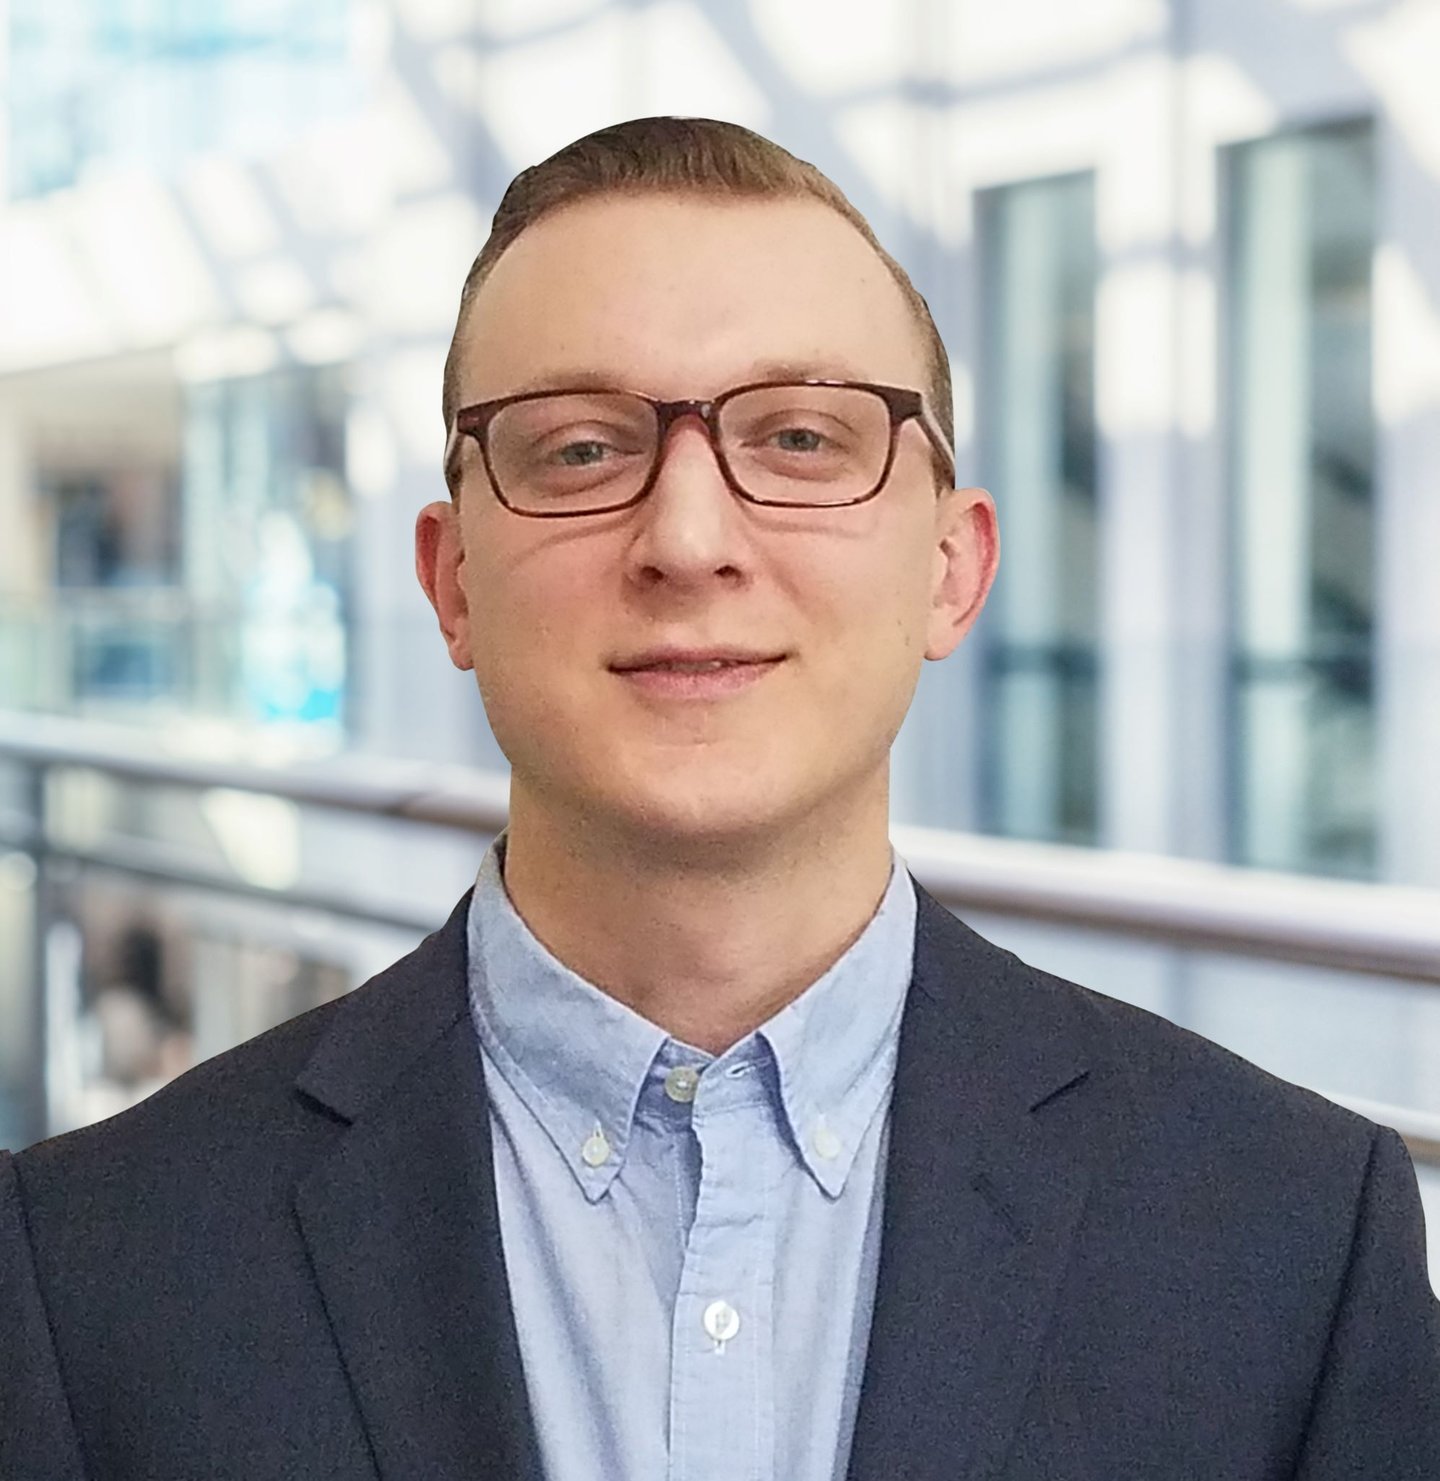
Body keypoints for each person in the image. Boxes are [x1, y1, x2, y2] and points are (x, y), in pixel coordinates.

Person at [2, 116, 1436, 1480]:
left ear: (952, 567)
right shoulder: (87, 1268)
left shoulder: (1295, 1236)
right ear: (449, 582)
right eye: (578, 447)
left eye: (803, 438)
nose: (688, 537)